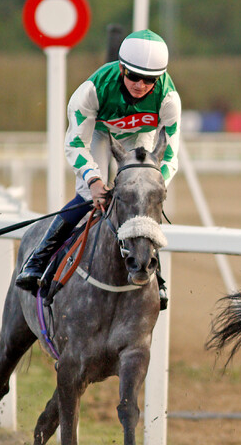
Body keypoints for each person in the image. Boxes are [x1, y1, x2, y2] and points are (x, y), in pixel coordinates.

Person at [15, 29, 182, 309]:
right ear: (121, 68)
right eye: (133, 76)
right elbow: (75, 144)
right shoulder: (92, 91)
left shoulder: (168, 100)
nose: (140, 85)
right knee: (86, 194)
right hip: (100, 134)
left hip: (140, 135)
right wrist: (94, 181)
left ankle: (157, 277)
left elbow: (169, 157)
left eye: (150, 80)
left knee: (142, 199)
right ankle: (38, 259)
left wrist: (150, 183)